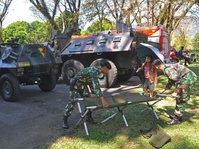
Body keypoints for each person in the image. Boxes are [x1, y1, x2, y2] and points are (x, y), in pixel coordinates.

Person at [62, 60, 112, 129]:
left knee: (89, 101)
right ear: (104, 68)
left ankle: (89, 117)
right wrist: (103, 101)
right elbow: (96, 87)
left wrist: (94, 94)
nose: (107, 71)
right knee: (72, 102)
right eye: (108, 70)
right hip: (76, 84)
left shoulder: (98, 71)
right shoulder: (94, 71)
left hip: (83, 85)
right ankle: (65, 119)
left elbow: (91, 84)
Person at [152, 59, 197, 125]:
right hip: (184, 80)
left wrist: (175, 92)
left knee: (181, 98)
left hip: (187, 80)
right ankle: (178, 115)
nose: (155, 70)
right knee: (179, 98)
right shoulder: (166, 68)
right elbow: (171, 80)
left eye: (155, 68)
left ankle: (176, 119)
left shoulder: (168, 70)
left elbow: (178, 81)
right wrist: (164, 90)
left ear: (157, 66)